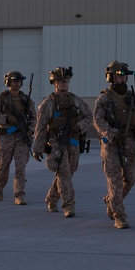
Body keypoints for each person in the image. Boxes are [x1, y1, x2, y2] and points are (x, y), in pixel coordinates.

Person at [94, 61, 135, 230]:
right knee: (115, 181)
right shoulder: (104, 98)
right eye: (119, 76)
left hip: (128, 142)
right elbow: (98, 121)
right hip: (111, 144)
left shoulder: (132, 98)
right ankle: (119, 216)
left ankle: (112, 200)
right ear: (111, 77)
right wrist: (112, 134)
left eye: (124, 76)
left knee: (131, 178)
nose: (122, 79)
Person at [32, 67, 92, 218]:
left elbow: (89, 117)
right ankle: (68, 206)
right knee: (64, 173)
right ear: (55, 83)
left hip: (73, 142)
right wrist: (38, 148)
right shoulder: (48, 103)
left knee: (68, 172)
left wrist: (80, 126)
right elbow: (40, 126)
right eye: (61, 81)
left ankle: (51, 199)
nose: (64, 84)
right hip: (56, 142)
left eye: (66, 81)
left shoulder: (76, 100)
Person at [0, 71, 35, 204]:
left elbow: (34, 117)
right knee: (3, 166)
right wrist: (7, 118)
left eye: (19, 81)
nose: (17, 83)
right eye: (14, 81)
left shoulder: (26, 99)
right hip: (6, 136)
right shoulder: (1, 98)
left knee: (20, 167)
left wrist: (30, 130)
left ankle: (19, 194)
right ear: (9, 82)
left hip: (21, 137)